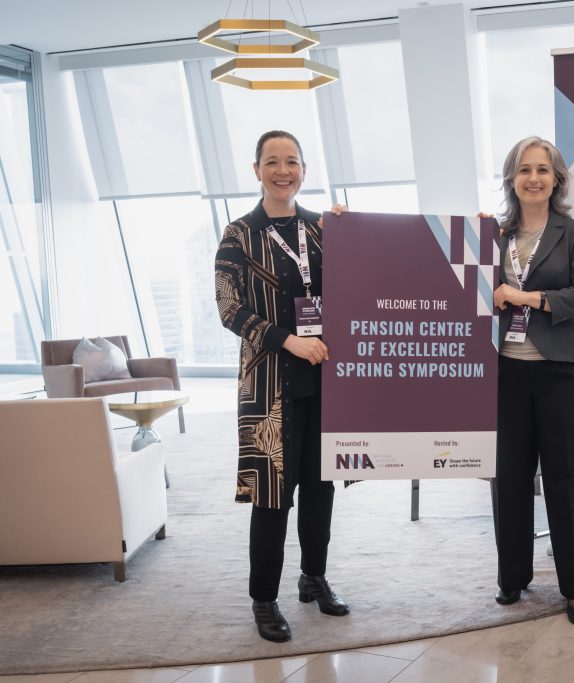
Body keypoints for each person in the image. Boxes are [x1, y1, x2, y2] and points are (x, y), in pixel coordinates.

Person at [214, 130, 347, 643]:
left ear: (304, 170)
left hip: (326, 381)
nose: (283, 171)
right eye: (272, 161)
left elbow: (360, 283)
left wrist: (352, 234)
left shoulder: (322, 229)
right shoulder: (239, 234)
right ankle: (264, 599)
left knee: (320, 488)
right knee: (272, 496)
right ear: (257, 171)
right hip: (269, 385)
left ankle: (313, 578)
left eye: (292, 161)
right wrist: (288, 341)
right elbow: (230, 309)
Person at [492, 136, 574, 625]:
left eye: (542, 170)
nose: (533, 178)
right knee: (509, 479)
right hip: (505, 374)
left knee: (566, 480)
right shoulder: (492, 237)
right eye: (524, 170)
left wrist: (527, 297)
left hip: (560, 374)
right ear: (511, 179)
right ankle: (512, 578)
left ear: (556, 179)